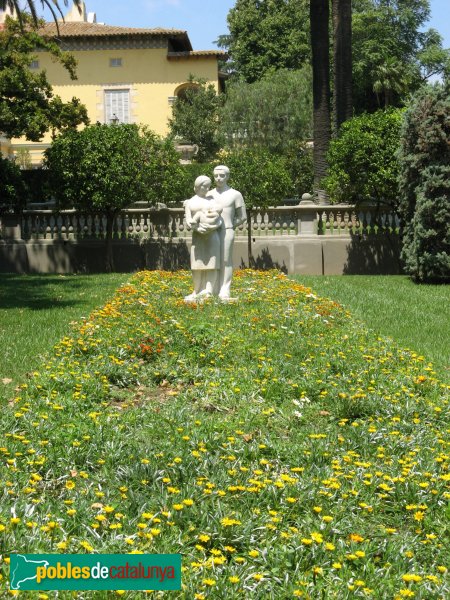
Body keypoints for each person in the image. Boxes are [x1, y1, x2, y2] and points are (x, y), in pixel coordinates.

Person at [209, 165, 247, 299]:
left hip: (227, 231)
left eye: (222, 175)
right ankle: (212, 288)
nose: (218, 178)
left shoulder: (235, 194)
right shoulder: (208, 194)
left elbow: (242, 217)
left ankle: (225, 289)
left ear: (228, 176)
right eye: (216, 176)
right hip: (211, 232)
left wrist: (229, 225)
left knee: (225, 260)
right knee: (212, 260)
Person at [184, 175, 223, 302]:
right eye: (203, 186)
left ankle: (209, 292)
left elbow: (219, 219)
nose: (206, 189)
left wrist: (211, 228)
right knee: (197, 265)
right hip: (198, 237)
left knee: (212, 264)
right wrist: (196, 228)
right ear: (196, 186)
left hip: (212, 236)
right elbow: (188, 221)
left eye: (207, 186)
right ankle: (196, 291)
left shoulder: (212, 200)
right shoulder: (190, 202)